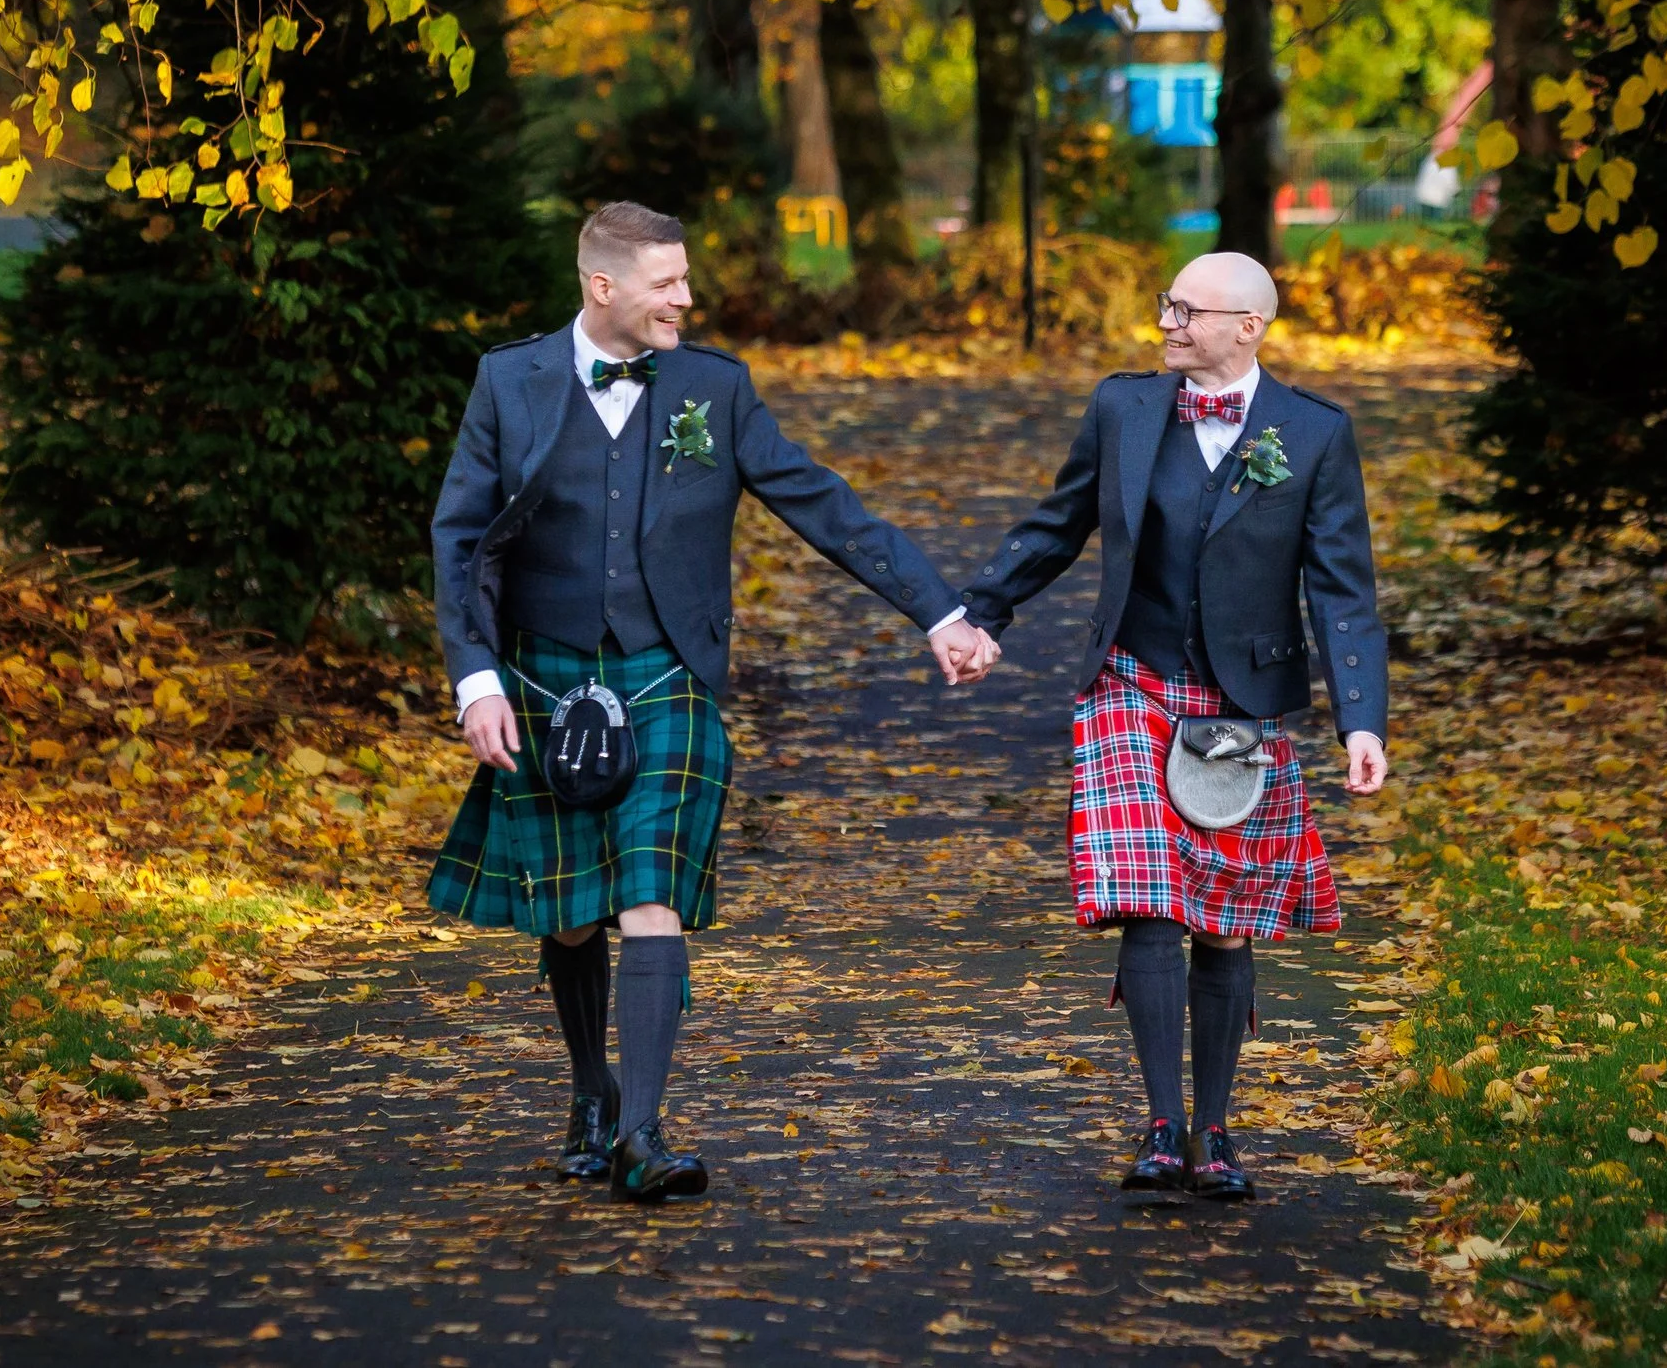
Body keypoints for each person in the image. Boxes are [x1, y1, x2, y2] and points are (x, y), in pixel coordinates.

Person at [427, 201, 1000, 1203]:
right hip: (541, 672)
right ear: (602, 286)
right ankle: (592, 1092)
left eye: (685, 278)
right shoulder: (507, 380)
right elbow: (462, 535)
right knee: (567, 916)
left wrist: (937, 610)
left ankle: (642, 1132)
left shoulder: (714, 388)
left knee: (649, 896)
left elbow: (822, 501)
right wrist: (475, 676)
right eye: (666, 282)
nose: (687, 297)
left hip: (664, 672)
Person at [960, 250, 1388, 1201]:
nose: (1168, 323)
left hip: (1242, 701)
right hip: (1133, 677)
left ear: (1250, 328)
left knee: (1225, 918)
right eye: (1167, 305)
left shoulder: (1315, 434)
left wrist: (1362, 720)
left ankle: (1217, 1130)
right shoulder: (1125, 408)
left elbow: (1345, 590)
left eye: (1190, 312)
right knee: (1153, 895)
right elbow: (1058, 522)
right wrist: (981, 612)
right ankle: (1161, 1127)